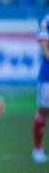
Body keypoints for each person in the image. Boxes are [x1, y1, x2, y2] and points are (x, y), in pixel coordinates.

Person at [32, 12, 49, 164]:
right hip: (47, 75)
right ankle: (37, 149)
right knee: (44, 110)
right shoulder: (45, 20)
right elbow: (45, 50)